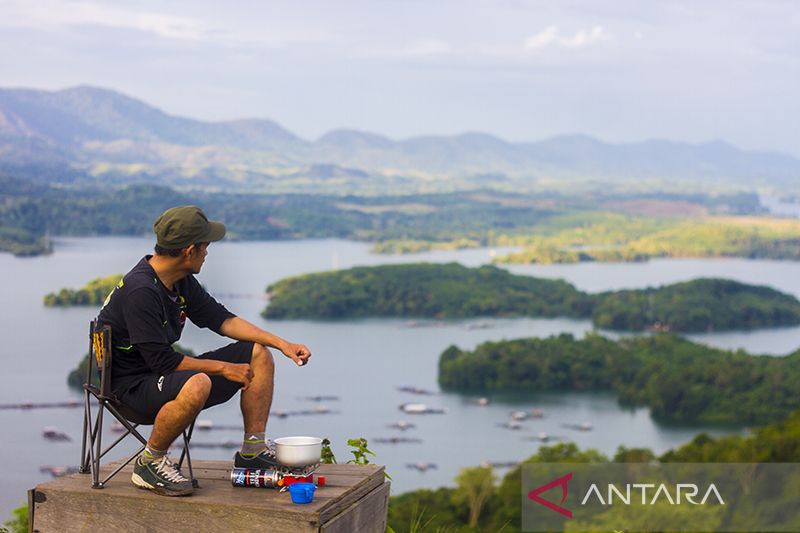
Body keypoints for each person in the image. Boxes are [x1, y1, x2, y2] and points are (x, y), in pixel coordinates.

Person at [96, 205, 311, 496]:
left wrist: (282, 344)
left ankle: (252, 451)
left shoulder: (179, 280)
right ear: (189, 250)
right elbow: (162, 361)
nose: (208, 252)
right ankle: (149, 462)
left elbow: (222, 319)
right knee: (199, 381)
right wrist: (223, 368)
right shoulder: (141, 292)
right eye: (206, 245)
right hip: (130, 390)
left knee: (257, 353)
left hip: (163, 377)